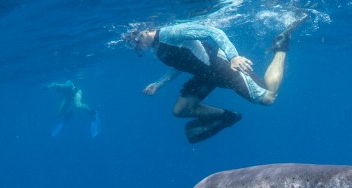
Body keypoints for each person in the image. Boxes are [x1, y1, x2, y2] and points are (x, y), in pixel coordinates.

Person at [122, 15, 306, 143]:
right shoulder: (158, 48)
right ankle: (229, 117)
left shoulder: (171, 33)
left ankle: (281, 46)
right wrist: (159, 83)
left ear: (145, 30)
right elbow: (180, 63)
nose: (136, 47)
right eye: (133, 45)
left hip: (222, 66)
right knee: (180, 110)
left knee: (268, 98)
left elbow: (214, 32)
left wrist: (233, 57)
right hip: (205, 75)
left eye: (136, 42)